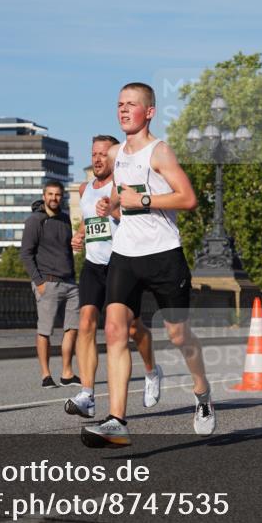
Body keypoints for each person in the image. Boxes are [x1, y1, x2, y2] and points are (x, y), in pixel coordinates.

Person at [82, 82, 212, 447]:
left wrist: (144, 199)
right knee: (114, 330)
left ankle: (202, 392)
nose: (123, 110)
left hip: (163, 254)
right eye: (119, 104)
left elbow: (188, 198)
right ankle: (117, 420)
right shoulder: (117, 154)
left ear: (149, 112)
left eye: (131, 105)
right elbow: (118, 195)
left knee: (177, 335)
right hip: (125, 255)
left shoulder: (160, 152)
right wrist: (112, 206)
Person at [65, 135, 162, 419]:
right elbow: (87, 218)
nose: (97, 159)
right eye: (94, 154)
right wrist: (79, 235)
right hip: (94, 266)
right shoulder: (84, 189)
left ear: (114, 158)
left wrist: (114, 210)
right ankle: (87, 395)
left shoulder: (123, 186)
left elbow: (141, 218)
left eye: (103, 154)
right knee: (86, 322)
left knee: (133, 329)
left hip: (122, 265)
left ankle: (151, 370)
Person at [20, 180, 80, 389]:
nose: (54, 198)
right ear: (44, 196)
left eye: (57, 195)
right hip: (48, 282)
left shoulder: (65, 219)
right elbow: (26, 254)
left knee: (72, 328)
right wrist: (40, 283)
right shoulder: (35, 221)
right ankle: (46, 375)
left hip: (70, 283)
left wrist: (73, 276)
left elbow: (66, 251)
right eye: (50, 194)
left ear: (61, 197)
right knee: (45, 331)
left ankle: (67, 372)